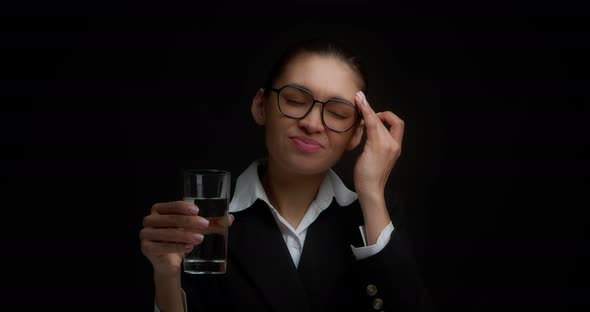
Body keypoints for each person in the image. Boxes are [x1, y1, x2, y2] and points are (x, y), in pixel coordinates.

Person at [140, 38, 434, 312]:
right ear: (260, 106)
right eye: (294, 100)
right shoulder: (201, 220)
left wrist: (371, 191)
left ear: (358, 133)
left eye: (338, 113)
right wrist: (166, 275)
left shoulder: (377, 216)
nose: (311, 123)